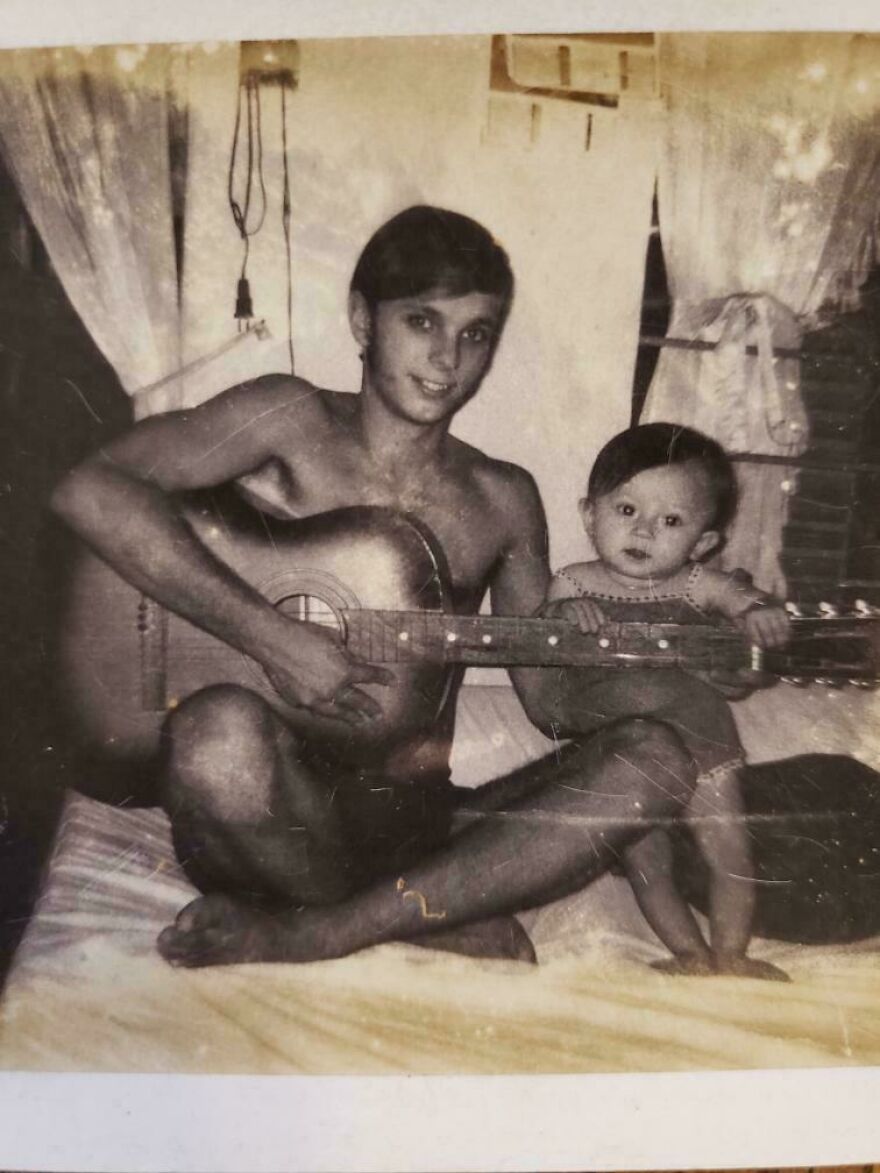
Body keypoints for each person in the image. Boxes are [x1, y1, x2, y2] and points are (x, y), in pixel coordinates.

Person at [51, 205, 716, 968]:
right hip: (266, 814)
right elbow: (90, 490)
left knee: (656, 758)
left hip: (413, 821)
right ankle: (419, 912)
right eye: (422, 322)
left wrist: (654, 667)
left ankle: (325, 926)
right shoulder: (286, 418)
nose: (446, 360)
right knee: (214, 737)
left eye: (475, 334)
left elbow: (550, 700)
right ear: (363, 320)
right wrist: (267, 635)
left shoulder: (504, 499)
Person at [542, 422, 792, 979]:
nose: (646, 531)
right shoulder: (572, 585)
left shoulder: (693, 583)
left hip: (702, 740)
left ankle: (731, 954)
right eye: (627, 510)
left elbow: (741, 596)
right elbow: (543, 641)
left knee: (731, 853)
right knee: (645, 860)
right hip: (623, 761)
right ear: (590, 515)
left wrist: (757, 610)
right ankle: (689, 953)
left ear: (702, 543)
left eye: (671, 521)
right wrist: (558, 619)